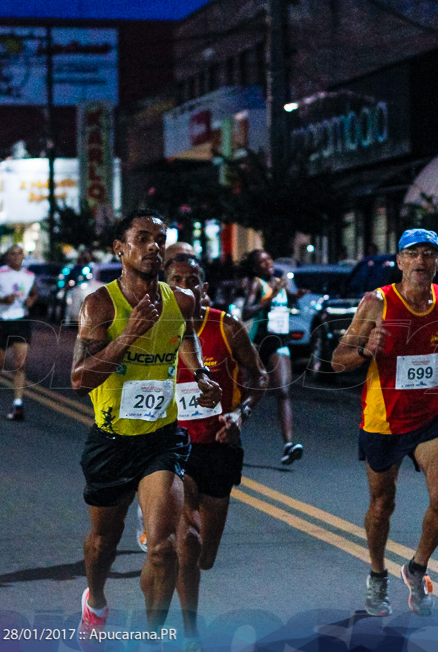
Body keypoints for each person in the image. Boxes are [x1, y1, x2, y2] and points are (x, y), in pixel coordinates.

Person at [70, 209, 221, 639]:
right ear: (120, 248)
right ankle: (95, 601)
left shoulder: (182, 301)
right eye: (142, 238)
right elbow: (80, 379)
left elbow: (185, 336)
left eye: (160, 238)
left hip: (161, 438)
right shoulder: (100, 304)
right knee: (104, 541)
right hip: (112, 440)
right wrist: (129, 334)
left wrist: (203, 373)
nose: (154, 246)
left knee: (162, 548)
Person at [331, 228, 438, 617]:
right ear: (399, 261)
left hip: (432, 414)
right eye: (413, 254)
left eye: (429, 254)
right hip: (384, 419)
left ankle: (417, 567)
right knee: (382, 503)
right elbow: (337, 358)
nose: (421, 261)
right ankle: (377, 573)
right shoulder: (377, 302)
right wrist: (364, 349)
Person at [164, 253, 267, 645]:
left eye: (193, 280)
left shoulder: (226, 326)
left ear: (204, 289)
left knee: (205, 555)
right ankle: (191, 634)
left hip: (218, 447)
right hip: (174, 447)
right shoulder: (154, 330)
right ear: (165, 287)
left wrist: (240, 415)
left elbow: (259, 376)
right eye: (176, 279)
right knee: (187, 544)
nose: (185, 286)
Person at [241, 249, 306, 464]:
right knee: (249, 392)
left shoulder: (279, 282)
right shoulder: (257, 284)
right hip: (261, 340)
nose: (268, 263)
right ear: (255, 267)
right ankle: (231, 429)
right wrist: (270, 296)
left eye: (269, 258)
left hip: (280, 340)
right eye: (262, 261)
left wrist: (296, 296)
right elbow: (247, 312)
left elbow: (284, 305)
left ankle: (288, 444)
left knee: (284, 391)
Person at [0, 245, 37, 421]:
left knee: (20, 363)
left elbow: (34, 294)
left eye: (20, 253)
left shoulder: (29, 276)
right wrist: (2, 300)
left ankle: (18, 403)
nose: (17, 256)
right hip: (0, 321)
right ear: (7, 258)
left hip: (20, 320)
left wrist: (30, 300)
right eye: (13, 253)